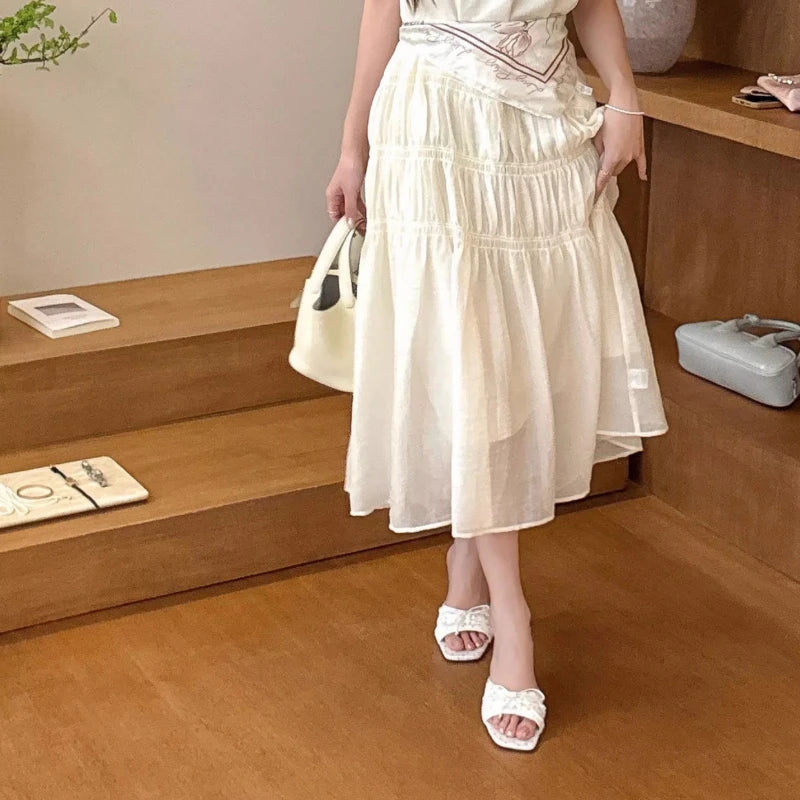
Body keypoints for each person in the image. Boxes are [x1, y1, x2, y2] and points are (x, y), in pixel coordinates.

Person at [325, 0, 668, 752]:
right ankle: (512, 613)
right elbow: (383, 6)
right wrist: (353, 148)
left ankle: (467, 552)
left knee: (526, 352)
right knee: (467, 354)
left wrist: (625, 98)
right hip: (434, 124)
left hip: (545, 118)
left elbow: (595, 2)